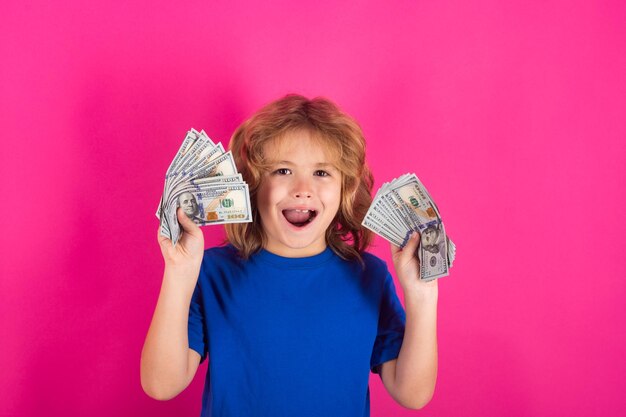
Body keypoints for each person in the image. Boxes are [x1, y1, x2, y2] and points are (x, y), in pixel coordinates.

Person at [141, 95, 439, 416]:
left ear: (345, 191)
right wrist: (178, 272)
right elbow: (161, 385)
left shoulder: (370, 276)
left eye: (322, 173)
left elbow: (413, 394)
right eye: (283, 170)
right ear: (252, 186)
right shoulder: (212, 271)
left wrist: (422, 295)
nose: (302, 188)